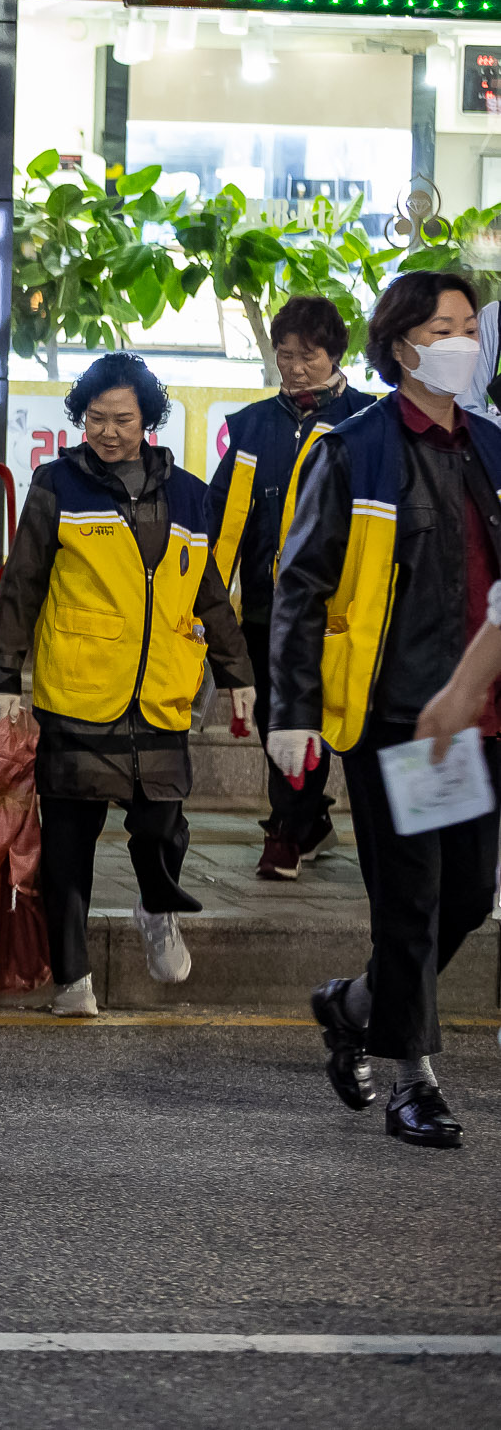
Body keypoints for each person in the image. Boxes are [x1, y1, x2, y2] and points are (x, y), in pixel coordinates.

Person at [273, 270, 499, 1150]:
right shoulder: (355, 447)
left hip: (481, 715)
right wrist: (295, 710)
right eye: (448, 327)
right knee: (412, 900)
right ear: (403, 342)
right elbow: (301, 585)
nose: (465, 343)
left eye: (473, 328)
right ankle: (414, 1077)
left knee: (471, 896)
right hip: (404, 713)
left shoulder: (487, 445)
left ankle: (355, 1003)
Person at [0, 352, 253, 1019]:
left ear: (147, 419)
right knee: (68, 844)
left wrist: (236, 672)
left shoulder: (190, 494)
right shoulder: (56, 484)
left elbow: (209, 592)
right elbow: (23, 585)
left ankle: (157, 907)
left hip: (159, 691)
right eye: (96, 417)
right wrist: (1, 676)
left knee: (163, 823)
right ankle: (73, 979)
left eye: (122, 418)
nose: (107, 431)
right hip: (77, 690)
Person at [206, 296, 376, 878]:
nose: (295, 367)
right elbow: (216, 518)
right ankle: (310, 819)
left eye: (309, 355)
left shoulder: (366, 422)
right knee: (273, 718)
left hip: (335, 610)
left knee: (305, 715)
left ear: (335, 355)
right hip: (261, 605)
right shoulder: (250, 425)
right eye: (285, 355)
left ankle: (287, 830)